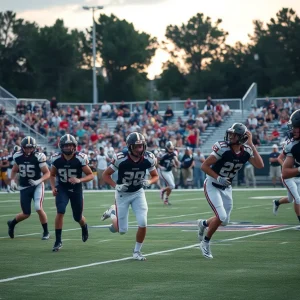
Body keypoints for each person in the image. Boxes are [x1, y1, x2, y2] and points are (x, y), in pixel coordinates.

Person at [198, 123, 264, 259]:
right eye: (231, 133)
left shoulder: (246, 150)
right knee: (221, 216)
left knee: (225, 221)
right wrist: (218, 177)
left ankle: (203, 223)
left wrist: (252, 145)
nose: (231, 136)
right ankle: (205, 242)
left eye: (234, 134)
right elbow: (204, 166)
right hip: (212, 184)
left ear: (242, 137)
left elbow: (260, 165)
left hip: (226, 187)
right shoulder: (223, 148)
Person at [101, 132, 159, 261]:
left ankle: (137, 251)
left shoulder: (149, 158)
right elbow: (105, 175)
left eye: (141, 146)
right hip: (122, 194)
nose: (140, 149)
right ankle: (112, 212)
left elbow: (155, 176)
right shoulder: (121, 158)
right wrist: (116, 186)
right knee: (121, 230)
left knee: (143, 222)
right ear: (130, 147)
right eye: (137, 146)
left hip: (138, 193)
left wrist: (149, 181)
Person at [50, 134, 94, 252]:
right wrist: (53, 187)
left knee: (77, 217)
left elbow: (91, 175)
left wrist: (79, 180)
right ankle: (58, 240)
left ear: (75, 146)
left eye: (71, 145)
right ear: (61, 146)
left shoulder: (80, 158)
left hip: (76, 189)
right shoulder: (56, 158)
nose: (68, 148)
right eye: (66, 145)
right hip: (62, 187)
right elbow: (52, 174)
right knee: (60, 211)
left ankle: (84, 226)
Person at [7, 137, 50, 240]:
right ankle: (12, 224)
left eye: (31, 148)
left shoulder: (39, 156)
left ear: (34, 148)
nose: (29, 150)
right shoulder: (18, 156)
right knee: (26, 213)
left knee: (38, 207)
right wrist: (12, 180)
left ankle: (46, 232)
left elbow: (47, 173)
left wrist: (39, 181)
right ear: (23, 147)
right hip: (24, 186)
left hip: (37, 185)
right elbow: (14, 170)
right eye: (27, 148)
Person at [282, 110, 300, 225]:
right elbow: (285, 172)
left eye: (295, 127)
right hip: (294, 178)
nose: (292, 130)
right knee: (295, 199)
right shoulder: (292, 145)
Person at [272, 140, 293, 215]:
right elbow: (280, 159)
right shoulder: (286, 152)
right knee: (297, 198)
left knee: (290, 199)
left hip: (294, 175)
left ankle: (277, 202)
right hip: (289, 175)